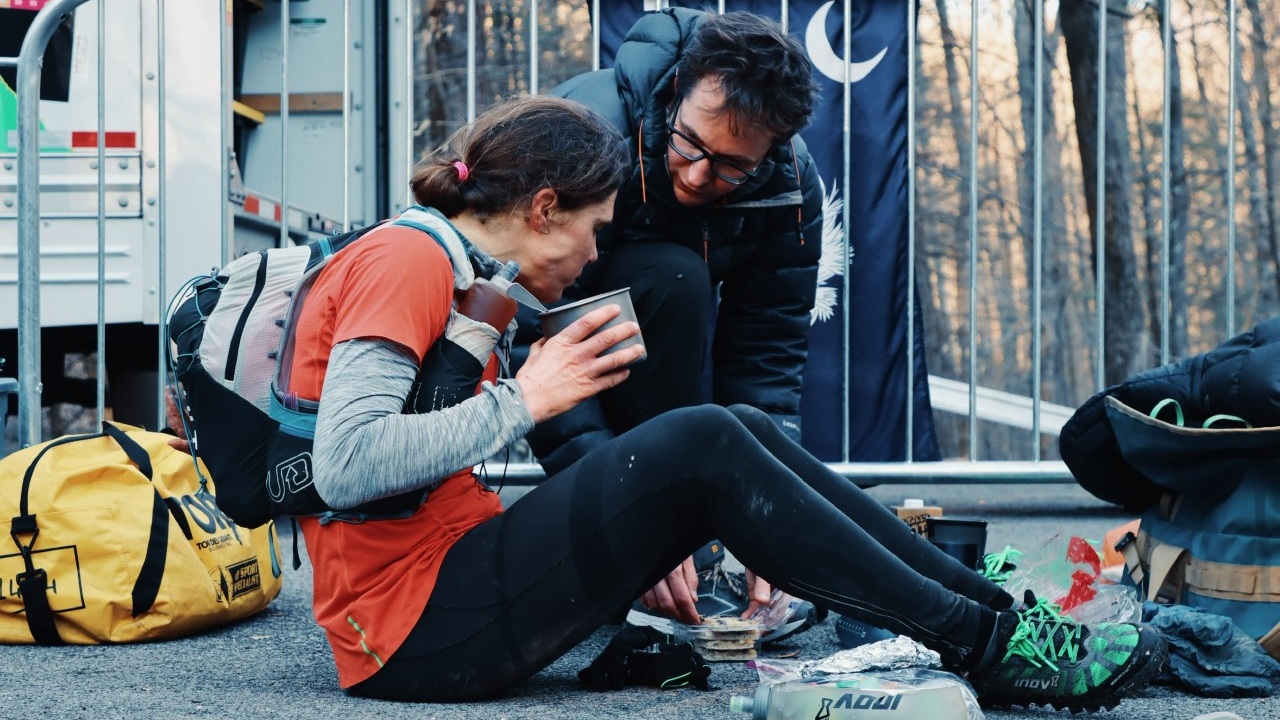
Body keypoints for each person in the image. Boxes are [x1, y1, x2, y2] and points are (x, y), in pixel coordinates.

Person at [272, 94, 1166, 710]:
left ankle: (997, 620)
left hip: (446, 589)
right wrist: (530, 398)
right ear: (544, 208)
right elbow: (345, 467)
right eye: (590, 230)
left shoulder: (454, 266)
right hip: (410, 631)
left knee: (731, 427)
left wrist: (620, 520)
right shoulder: (405, 260)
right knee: (700, 438)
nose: (592, 256)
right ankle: (990, 648)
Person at [527, 7, 826, 635]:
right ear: (677, 93)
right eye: (691, 144)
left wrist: (766, 513)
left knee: (678, 286)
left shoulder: (791, 188)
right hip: (525, 331)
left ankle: (694, 538)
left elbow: (764, 363)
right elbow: (540, 331)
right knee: (674, 278)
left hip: (653, 322)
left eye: (729, 167)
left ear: (773, 149)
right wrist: (622, 515)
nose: (696, 175)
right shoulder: (587, 133)